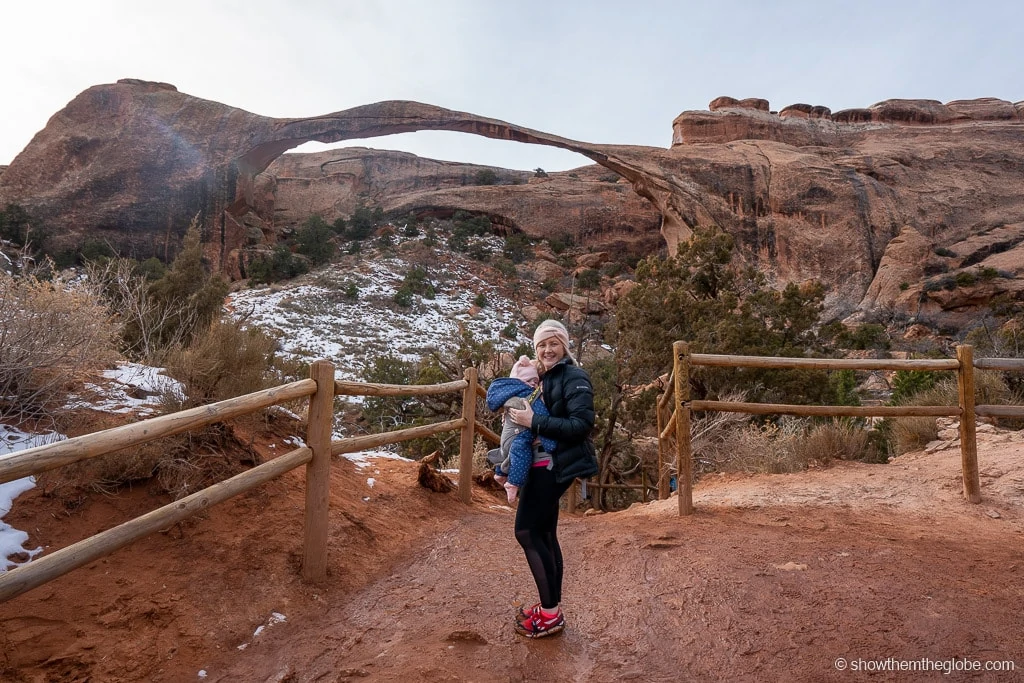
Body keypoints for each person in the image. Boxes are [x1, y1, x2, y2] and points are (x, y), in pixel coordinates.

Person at [506, 318, 598, 638]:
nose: (547, 349)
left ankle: (550, 615)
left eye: (553, 343)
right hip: (542, 464)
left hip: (553, 466)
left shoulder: (573, 376)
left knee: (527, 531)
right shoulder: (545, 379)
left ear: (564, 346)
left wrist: (535, 422)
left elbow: (580, 425)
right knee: (544, 534)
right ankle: (550, 607)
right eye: (541, 345)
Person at [485, 355, 557, 504]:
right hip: (521, 435)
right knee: (521, 452)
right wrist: (551, 444)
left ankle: (500, 473)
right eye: (531, 381)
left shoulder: (508, 396)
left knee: (507, 451)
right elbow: (541, 416)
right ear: (522, 382)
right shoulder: (527, 396)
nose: (534, 385)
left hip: (507, 435)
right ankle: (513, 483)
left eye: (536, 382)